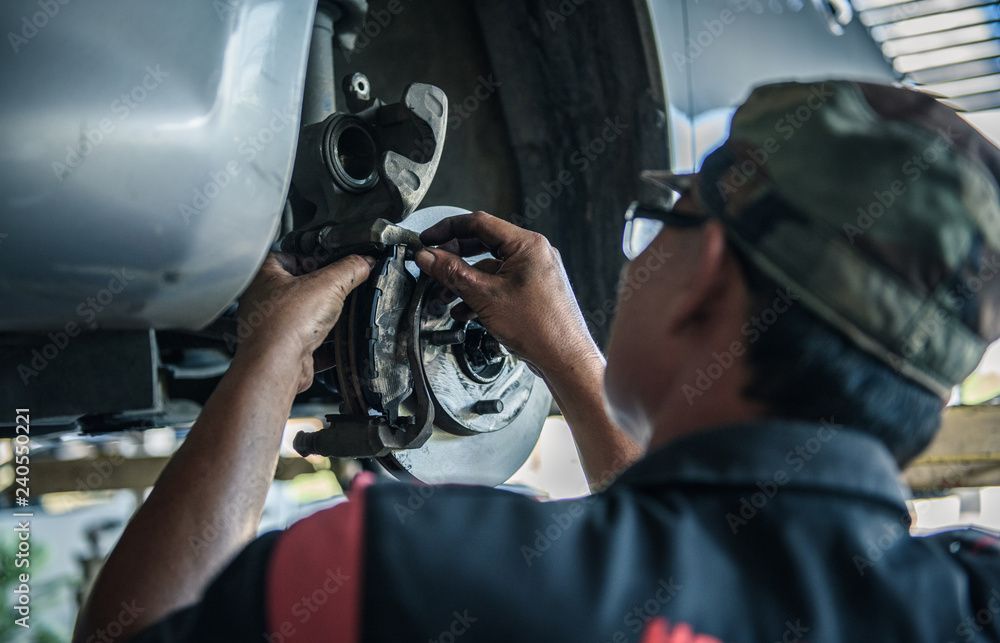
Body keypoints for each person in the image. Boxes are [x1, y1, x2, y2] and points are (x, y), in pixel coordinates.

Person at [75, 80, 1000, 643]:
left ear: (710, 278)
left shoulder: (407, 568)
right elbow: (715, 574)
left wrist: (266, 362)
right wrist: (575, 363)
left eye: (664, 214)